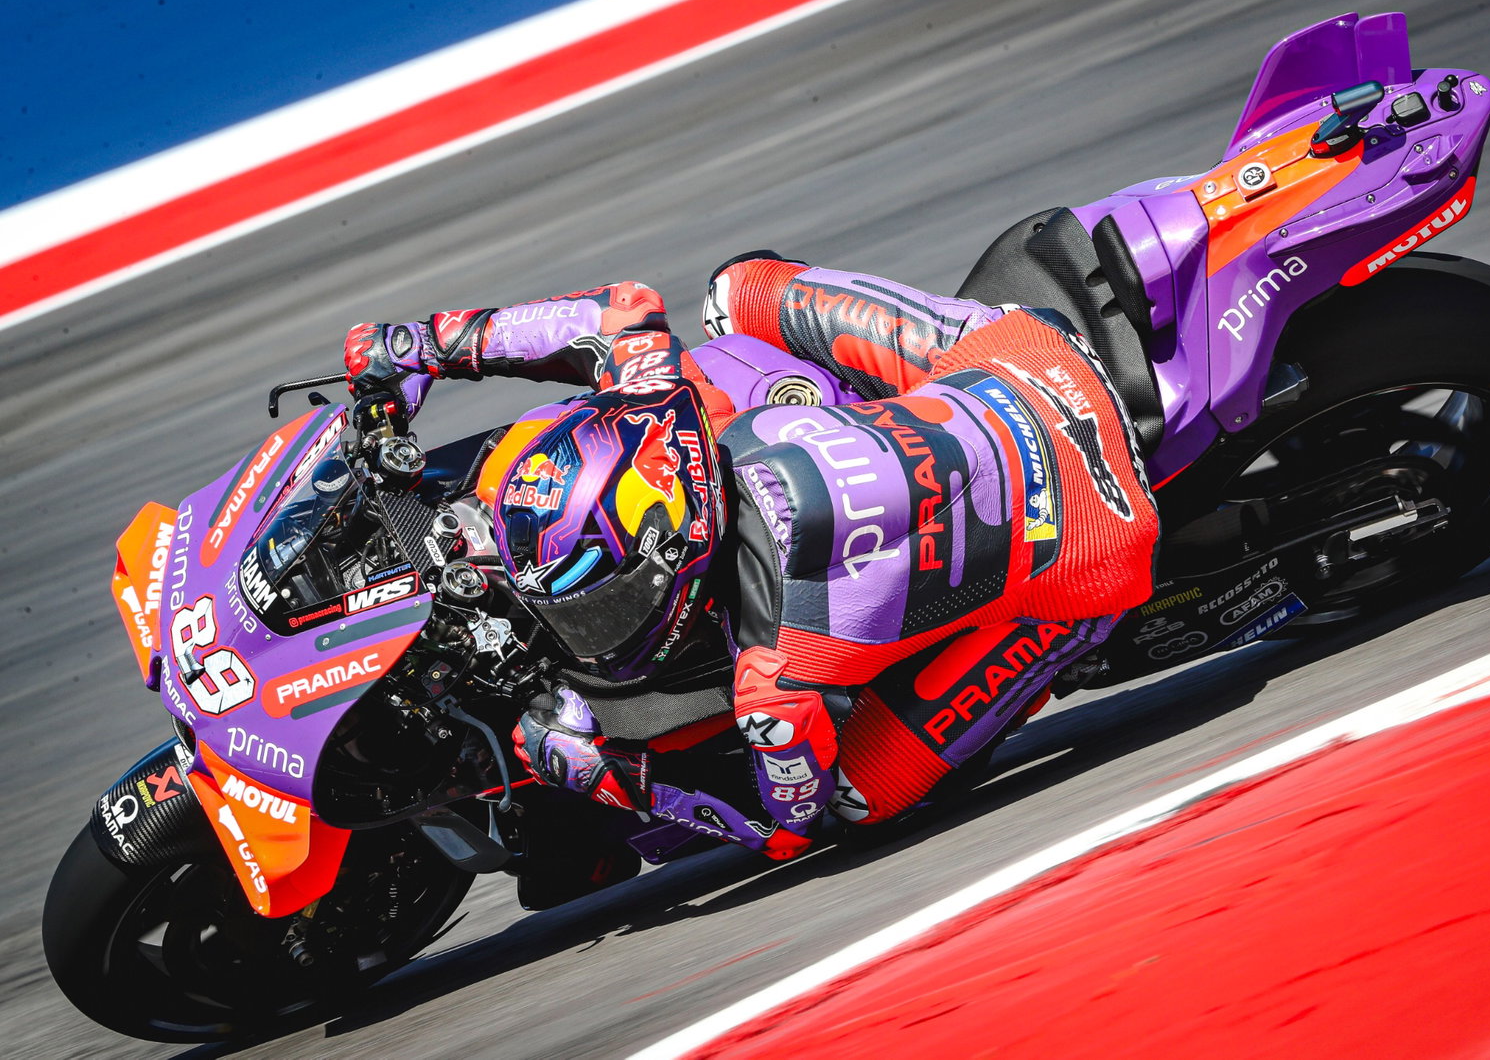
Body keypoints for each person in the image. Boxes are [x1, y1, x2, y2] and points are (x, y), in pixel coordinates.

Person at [344, 252, 1160, 860]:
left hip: (1097, 539)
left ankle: (1071, 637)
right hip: (1015, 356)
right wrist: (417, 348)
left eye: (592, 598)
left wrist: (606, 772)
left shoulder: (770, 682)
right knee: (736, 295)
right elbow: (620, 309)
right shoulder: (663, 411)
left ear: (664, 571)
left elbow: (781, 824)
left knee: (853, 801)